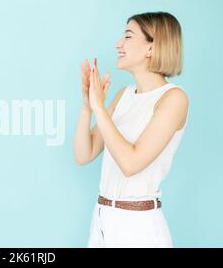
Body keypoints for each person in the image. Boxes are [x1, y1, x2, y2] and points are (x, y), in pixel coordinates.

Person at [73, 12, 189, 247]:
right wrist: (88, 107)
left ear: (151, 47)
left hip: (139, 228)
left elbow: (130, 163)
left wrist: (100, 107)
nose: (118, 44)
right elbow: (84, 155)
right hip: (102, 220)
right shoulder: (123, 95)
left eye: (128, 36)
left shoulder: (174, 99)